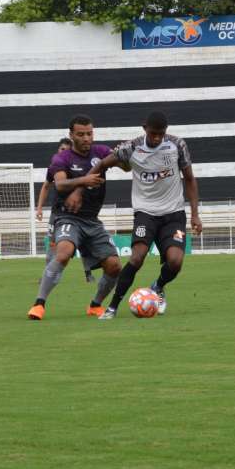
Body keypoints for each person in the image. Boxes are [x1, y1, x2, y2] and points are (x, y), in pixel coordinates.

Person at [89, 110, 203, 320]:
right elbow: (103, 164)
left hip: (173, 213)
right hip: (145, 213)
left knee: (176, 261)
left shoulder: (177, 145)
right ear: (144, 129)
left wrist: (195, 214)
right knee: (137, 257)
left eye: (161, 133)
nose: (157, 138)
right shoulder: (131, 147)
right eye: (153, 133)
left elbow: (189, 179)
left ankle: (157, 286)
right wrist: (83, 186)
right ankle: (113, 307)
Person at [27, 115, 121, 320]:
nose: (86, 138)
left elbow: (125, 165)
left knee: (114, 266)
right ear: (71, 135)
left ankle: (95, 305)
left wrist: (124, 154)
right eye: (81, 134)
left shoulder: (102, 152)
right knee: (64, 253)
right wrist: (84, 180)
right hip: (67, 217)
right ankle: (39, 304)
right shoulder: (62, 159)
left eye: (89, 133)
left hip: (92, 220)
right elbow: (59, 184)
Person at [36, 137, 93, 281]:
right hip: (57, 213)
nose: (64, 152)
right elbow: (45, 186)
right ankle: (47, 275)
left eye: (67, 150)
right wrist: (39, 208)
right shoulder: (55, 168)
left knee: (83, 243)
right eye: (62, 149)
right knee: (52, 244)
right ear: (58, 150)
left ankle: (88, 273)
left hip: (77, 211)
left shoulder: (78, 168)